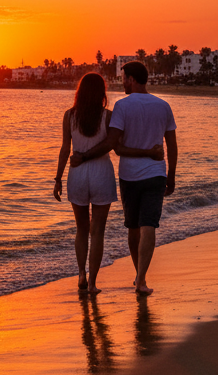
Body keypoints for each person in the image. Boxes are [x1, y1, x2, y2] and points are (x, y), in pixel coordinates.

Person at [72, 61, 176, 295]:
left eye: (124, 78)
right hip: (156, 173)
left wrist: (82, 156)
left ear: (131, 79)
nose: (122, 82)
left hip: (129, 175)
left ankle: (138, 275)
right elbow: (172, 144)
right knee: (149, 224)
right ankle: (140, 279)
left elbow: (114, 146)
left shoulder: (122, 106)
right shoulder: (163, 105)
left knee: (133, 227)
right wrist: (171, 174)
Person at [54, 73, 162, 294]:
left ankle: (81, 275)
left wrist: (58, 178)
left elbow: (65, 149)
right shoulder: (107, 117)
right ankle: (93, 283)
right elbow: (116, 146)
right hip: (101, 172)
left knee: (81, 229)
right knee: (98, 231)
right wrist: (149, 152)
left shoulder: (69, 116)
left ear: (80, 91)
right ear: (101, 93)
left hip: (77, 173)